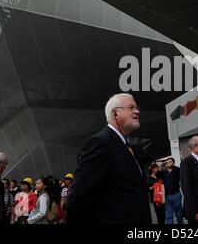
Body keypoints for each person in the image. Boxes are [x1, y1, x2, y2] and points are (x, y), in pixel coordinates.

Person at [66, 93, 151, 224]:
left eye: (136, 108)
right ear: (115, 113)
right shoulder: (99, 143)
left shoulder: (124, 145)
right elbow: (78, 199)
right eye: (131, 107)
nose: (137, 111)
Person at [158, 157, 183, 224]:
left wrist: (172, 165)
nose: (168, 163)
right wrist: (163, 164)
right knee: (169, 215)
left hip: (176, 195)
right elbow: (157, 173)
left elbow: (182, 173)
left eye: (170, 162)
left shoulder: (177, 170)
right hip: (167, 196)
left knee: (179, 215)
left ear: (173, 163)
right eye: (167, 162)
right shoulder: (164, 172)